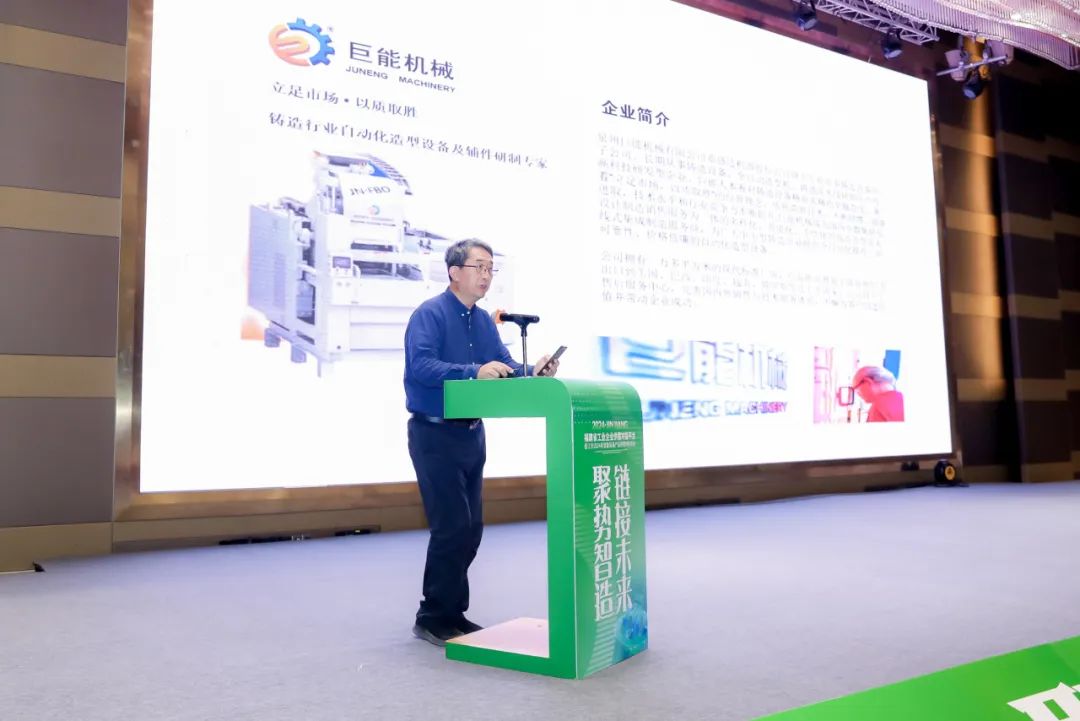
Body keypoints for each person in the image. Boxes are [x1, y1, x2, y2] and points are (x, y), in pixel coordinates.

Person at [403, 238, 559, 646]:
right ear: (454, 272)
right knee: (451, 526)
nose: (486, 275)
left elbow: (502, 366)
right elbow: (421, 366)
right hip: (434, 432)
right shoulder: (430, 314)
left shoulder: (484, 322)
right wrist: (473, 371)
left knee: (471, 528)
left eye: (491, 268)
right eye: (479, 267)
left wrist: (532, 371)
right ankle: (432, 617)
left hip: (472, 433)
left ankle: (454, 613)